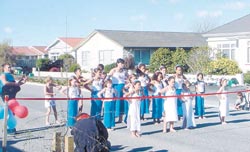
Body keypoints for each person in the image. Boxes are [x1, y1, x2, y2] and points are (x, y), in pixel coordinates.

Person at [0, 63, 27, 134]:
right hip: (6, 95)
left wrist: (22, 82)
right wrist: (16, 84)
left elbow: (15, 84)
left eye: (10, 67)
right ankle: (7, 129)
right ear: (4, 68)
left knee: (13, 111)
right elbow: (5, 83)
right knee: (8, 111)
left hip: (12, 94)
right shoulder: (3, 75)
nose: (10, 68)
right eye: (8, 67)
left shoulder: (11, 76)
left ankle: (10, 128)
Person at [107, 58, 128, 123]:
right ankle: (113, 117)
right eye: (121, 63)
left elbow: (128, 78)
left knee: (122, 102)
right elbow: (107, 78)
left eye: (123, 64)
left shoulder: (124, 71)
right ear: (117, 63)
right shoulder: (113, 70)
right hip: (115, 86)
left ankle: (120, 118)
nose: (122, 65)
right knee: (116, 102)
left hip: (122, 86)